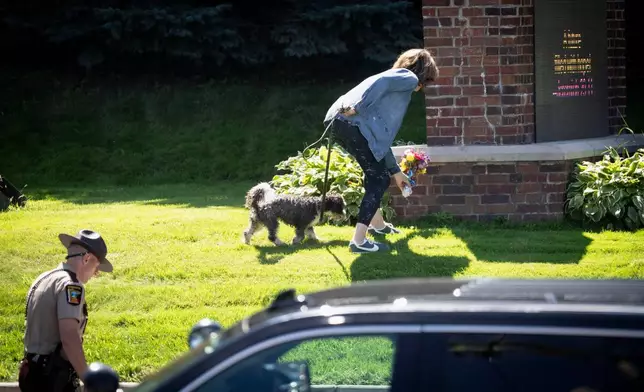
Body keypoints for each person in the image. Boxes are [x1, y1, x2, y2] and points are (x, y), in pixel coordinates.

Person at [323, 48, 439, 253]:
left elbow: (379, 142)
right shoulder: (409, 77)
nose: (421, 88)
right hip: (350, 121)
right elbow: (381, 85)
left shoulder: (394, 81)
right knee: (378, 179)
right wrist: (358, 107)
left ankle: (378, 226)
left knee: (375, 174)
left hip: (338, 121)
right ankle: (358, 241)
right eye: (427, 81)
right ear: (423, 73)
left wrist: (396, 172)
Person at [19, 229, 113, 392]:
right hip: (52, 379)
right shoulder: (71, 285)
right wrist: (88, 379)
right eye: (96, 266)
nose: (96, 273)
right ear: (86, 258)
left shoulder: (43, 278)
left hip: (32, 375)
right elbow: (69, 337)